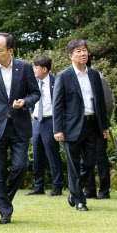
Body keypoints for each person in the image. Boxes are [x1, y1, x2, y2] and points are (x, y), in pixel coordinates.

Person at [0, 32, 40, 224]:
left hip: (19, 125)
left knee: (22, 165)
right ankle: (5, 211)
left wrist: (25, 102)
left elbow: (35, 93)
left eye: (0, 50)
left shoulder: (25, 67)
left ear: (10, 51)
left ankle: (4, 199)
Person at [52, 39, 109, 211]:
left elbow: (100, 102)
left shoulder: (94, 75)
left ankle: (74, 191)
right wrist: (58, 129)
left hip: (92, 125)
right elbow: (57, 105)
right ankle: (79, 200)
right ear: (71, 56)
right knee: (73, 165)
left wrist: (104, 126)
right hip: (71, 127)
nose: (83, 53)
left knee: (90, 163)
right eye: (78, 51)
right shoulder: (63, 76)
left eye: (84, 50)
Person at [26, 55, 64, 196]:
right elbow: (29, 98)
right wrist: (31, 112)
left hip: (50, 121)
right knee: (37, 155)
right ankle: (38, 186)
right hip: (36, 121)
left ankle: (57, 187)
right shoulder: (33, 82)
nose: (34, 70)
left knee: (53, 155)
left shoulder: (56, 81)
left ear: (44, 69)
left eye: (36, 67)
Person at [84, 60, 113, 200]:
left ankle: (104, 190)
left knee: (100, 157)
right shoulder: (77, 78)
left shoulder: (98, 77)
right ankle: (89, 190)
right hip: (83, 125)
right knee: (85, 158)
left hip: (98, 124)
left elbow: (107, 104)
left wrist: (105, 124)